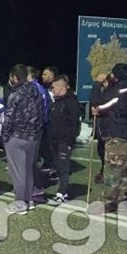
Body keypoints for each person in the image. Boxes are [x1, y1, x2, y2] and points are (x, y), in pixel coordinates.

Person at [91, 64, 127, 211]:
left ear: (115, 76)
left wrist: (97, 84)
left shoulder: (118, 90)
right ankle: (120, 199)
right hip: (123, 131)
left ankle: (108, 201)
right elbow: (111, 106)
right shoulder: (125, 88)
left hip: (116, 131)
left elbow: (98, 103)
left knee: (111, 169)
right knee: (119, 168)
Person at [1, 64, 43, 215]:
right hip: (33, 137)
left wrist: (5, 136)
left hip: (17, 136)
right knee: (28, 170)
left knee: (18, 172)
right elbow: (41, 114)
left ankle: (20, 202)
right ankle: (29, 199)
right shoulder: (37, 92)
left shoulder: (15, 94)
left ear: (14, 77)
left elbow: (9, 117)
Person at [46, 76, 81, 205]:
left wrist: (70, 142)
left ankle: (62, 193)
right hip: (55, 141)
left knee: (64, 167)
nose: (52, 90)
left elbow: (75, 124)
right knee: (59, 167)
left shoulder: (71, 102)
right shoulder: (57, 102)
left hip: (64, 141)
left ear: (61, 87)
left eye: (53, 87)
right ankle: (61, 191)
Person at [89, 71, 111, 183]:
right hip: (101, 126)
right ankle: (104, 170)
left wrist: (97, 84)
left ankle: (106, 173)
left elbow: (96, 101)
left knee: (107, 151)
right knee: (101, 150)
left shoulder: (112, 92)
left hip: (108, 127)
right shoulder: (104, 91)